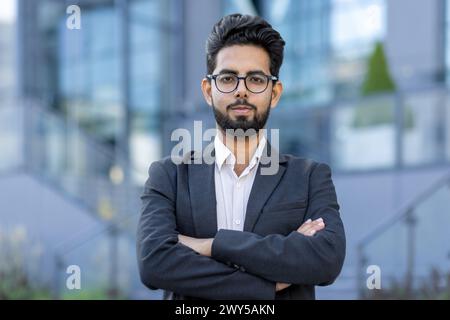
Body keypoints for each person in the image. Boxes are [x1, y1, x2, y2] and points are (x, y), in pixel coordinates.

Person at [137, 13, 346, 300]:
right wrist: (266, 286)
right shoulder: (169, 176)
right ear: (208, 90)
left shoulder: (310, 177)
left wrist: (212, 245)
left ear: (274, 93)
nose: (241, 91)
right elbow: (154, 264)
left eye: (256, 79)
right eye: (228, 78)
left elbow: (325, 259)